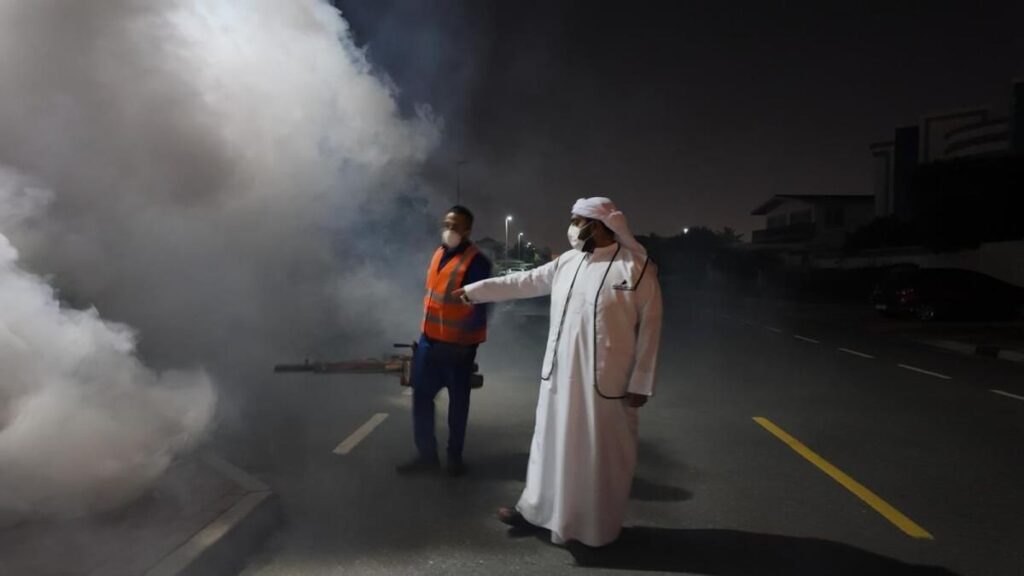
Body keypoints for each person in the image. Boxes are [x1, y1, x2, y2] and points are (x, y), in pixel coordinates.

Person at [454, 197, 662, 547]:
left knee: (600, 453)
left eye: (577, 221)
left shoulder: (635, 268)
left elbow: (651, 329)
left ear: (598, 225)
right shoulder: (567, 262)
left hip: (606, 383)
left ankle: (593, 527)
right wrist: (475, 292)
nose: (573, 228)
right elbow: (523, 282)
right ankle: (537, 511)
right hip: (560, 376)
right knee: (550, 445)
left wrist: (641, 381)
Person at [397, 205, 491, 477]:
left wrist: (461, 342)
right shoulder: (438, 253)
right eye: (447, 224)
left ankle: (454, 458)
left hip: (458, 348)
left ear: (467, 230)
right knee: (421, 398)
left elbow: (481, 307)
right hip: (429, 342)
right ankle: (427, 456)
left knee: (458, 404)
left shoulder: (476, 261)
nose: (449, 230)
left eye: (455, 226)